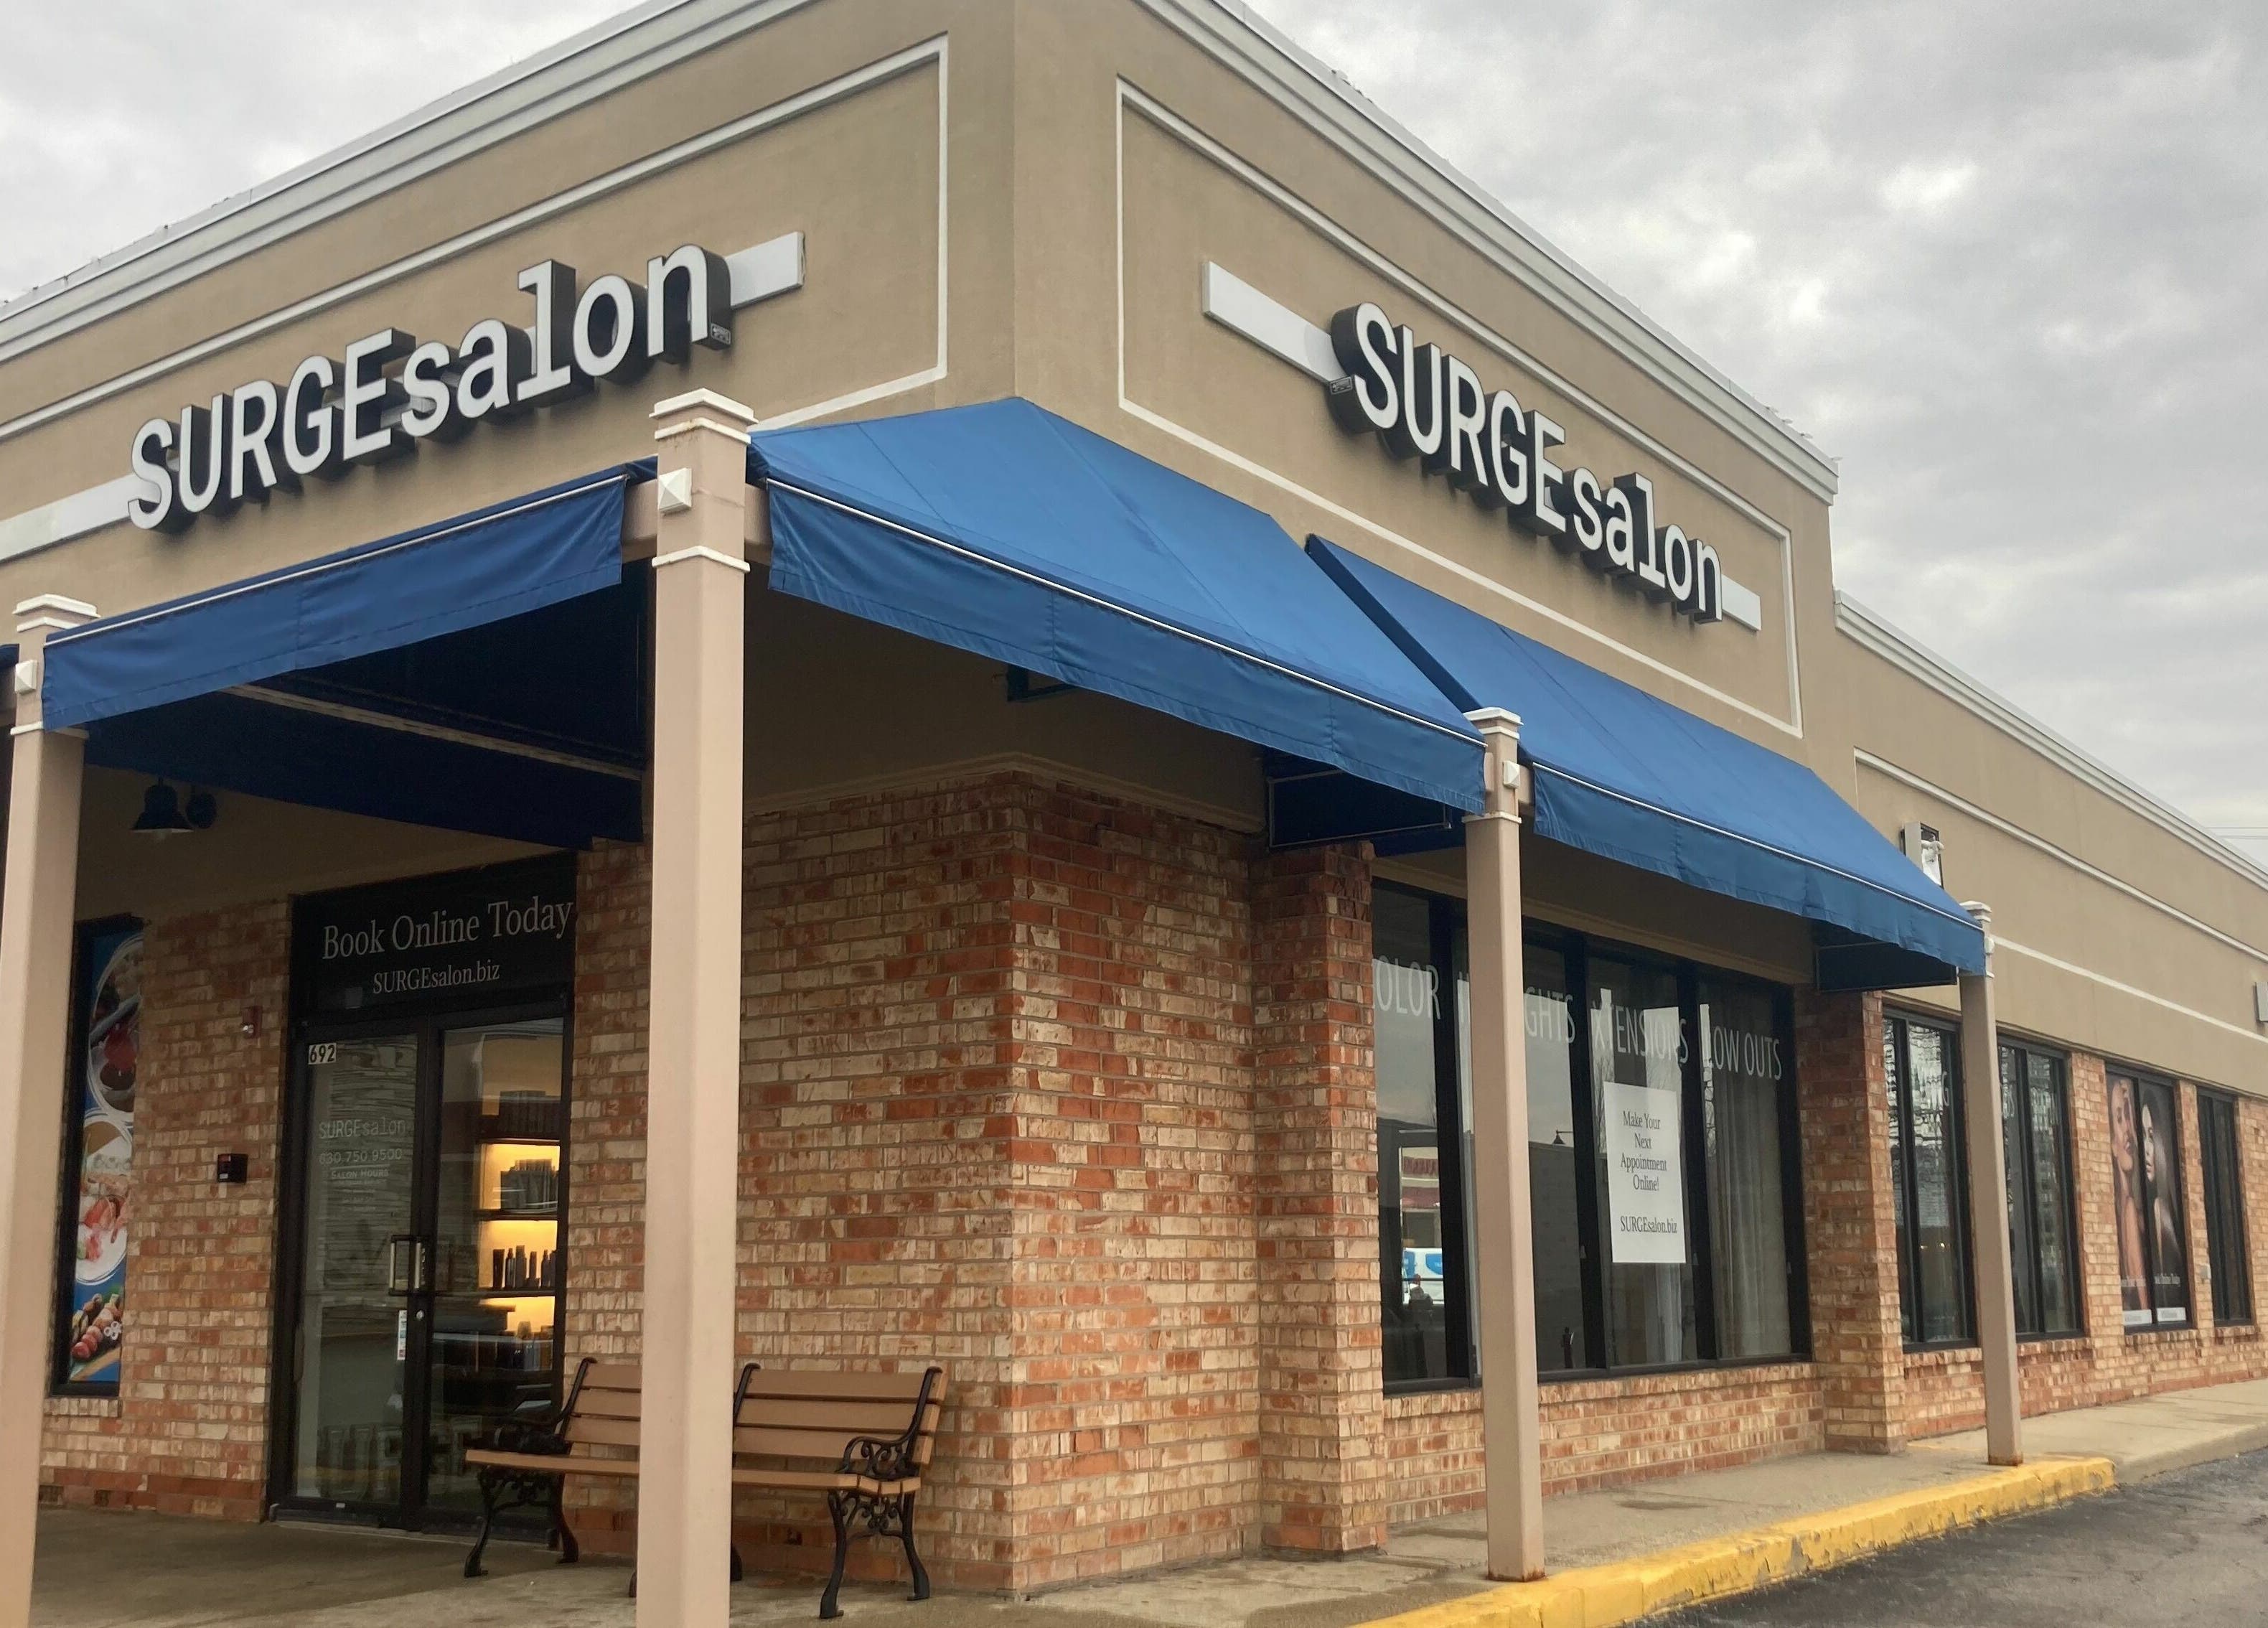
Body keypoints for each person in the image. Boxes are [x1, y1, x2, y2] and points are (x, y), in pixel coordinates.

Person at [2109, 1080, 2148, 1321]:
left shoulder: (2125, 1209)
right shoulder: (2128, 1211)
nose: (2129, 1131)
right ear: (2112, 1143)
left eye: (2130, 1117)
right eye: (2120, 1118)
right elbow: (2144, 1308)